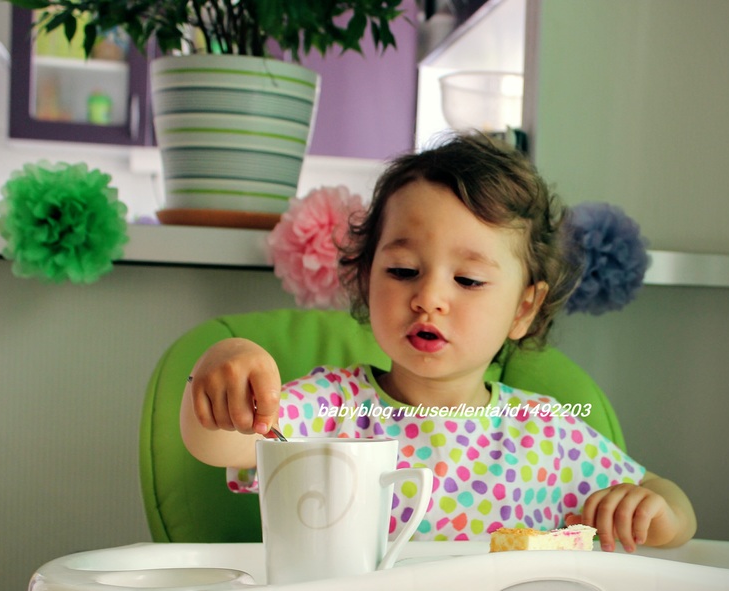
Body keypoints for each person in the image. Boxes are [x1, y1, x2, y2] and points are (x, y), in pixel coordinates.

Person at [180, 133, 697, 551]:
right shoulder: (333, 410)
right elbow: (220, 443)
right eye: (403, 270)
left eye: (468, 280)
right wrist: (224, 367)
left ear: (523, 309)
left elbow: (670, 505)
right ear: (366, 279)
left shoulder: (547, 433)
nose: (428, 298)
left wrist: (656, 512)